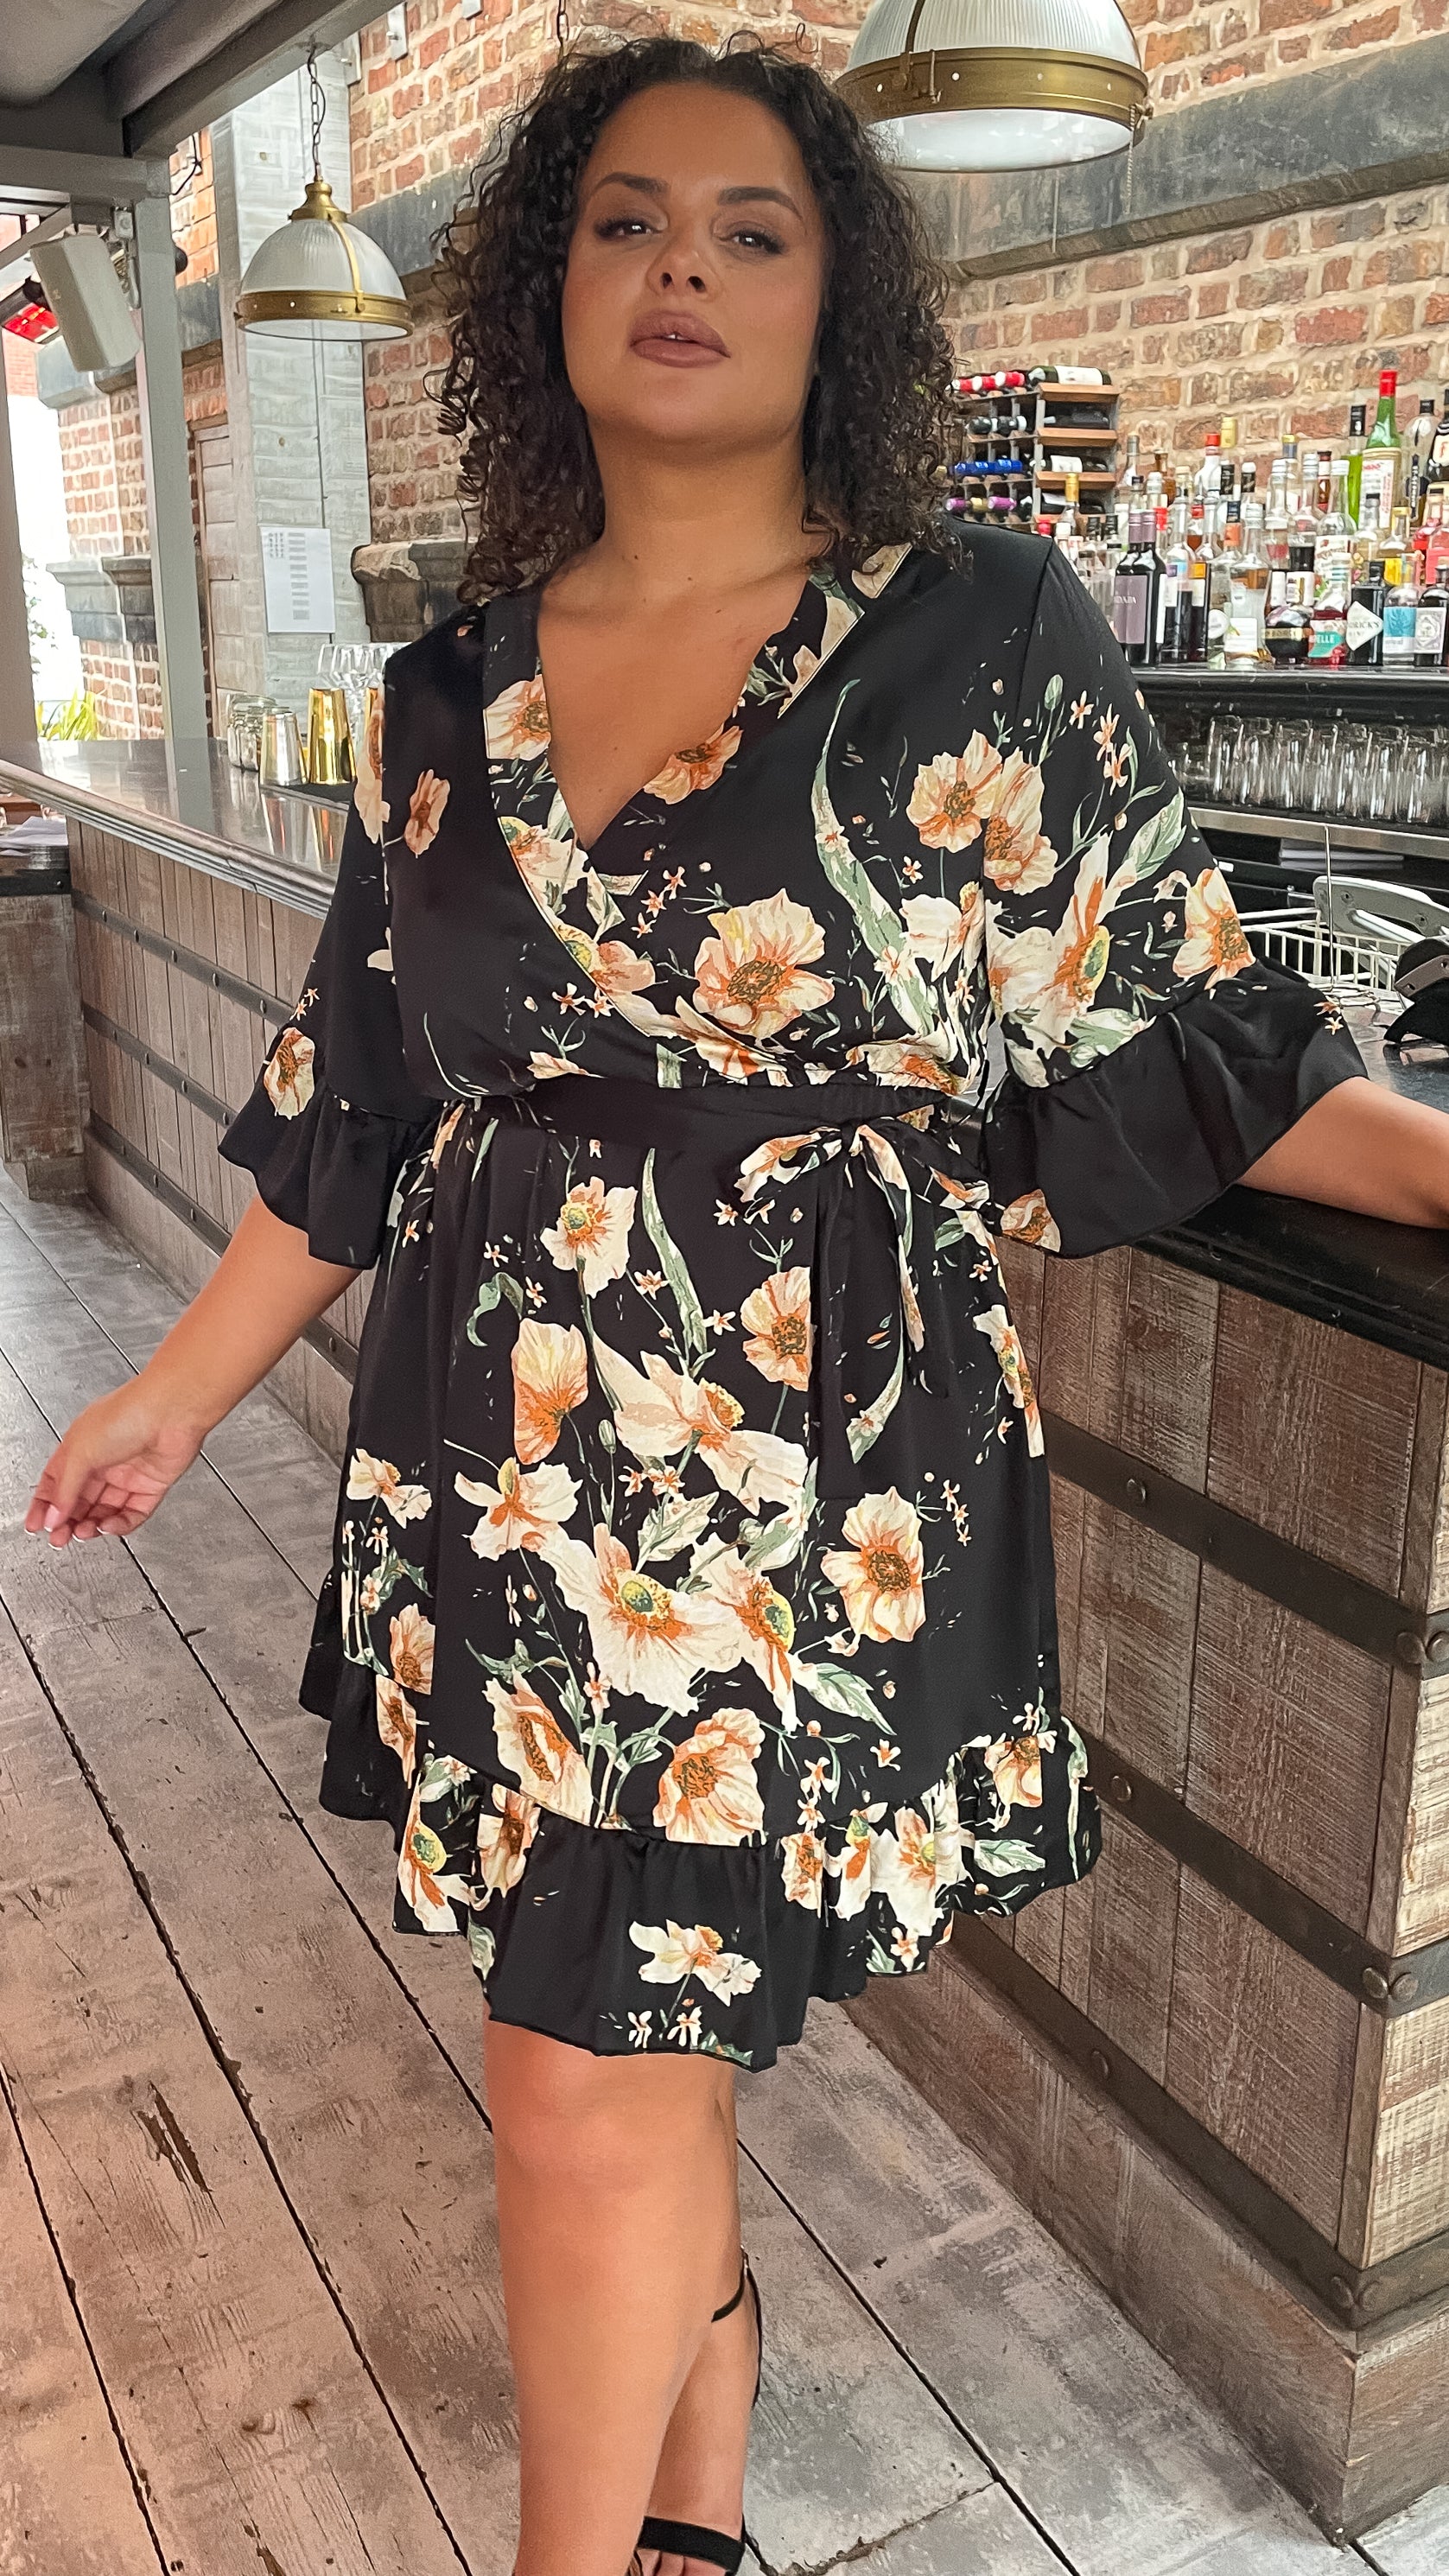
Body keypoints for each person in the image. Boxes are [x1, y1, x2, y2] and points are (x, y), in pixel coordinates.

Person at [27, 36, 1449, 2576]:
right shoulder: (443, 694)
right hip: (492, 1473)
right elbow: (358, 1108)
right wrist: (170, 1391)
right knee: (613, 2049)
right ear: (548, 290)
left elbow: (1175, 1036)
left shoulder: (981, 634)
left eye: (752, 230)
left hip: (802, 1484)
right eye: (629, 221)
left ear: (834, 302)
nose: (682, 266)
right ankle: (700, 2471)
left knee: (582, 2080)